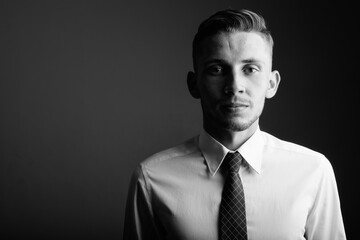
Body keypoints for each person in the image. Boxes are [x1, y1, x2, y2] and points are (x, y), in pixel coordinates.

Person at [123, 9, 346, 240]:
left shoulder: (313, 171)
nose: (234, 86)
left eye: (250, 69)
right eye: (216, 70)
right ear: (194, 84)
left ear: (271, 83)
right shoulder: (151, 178)